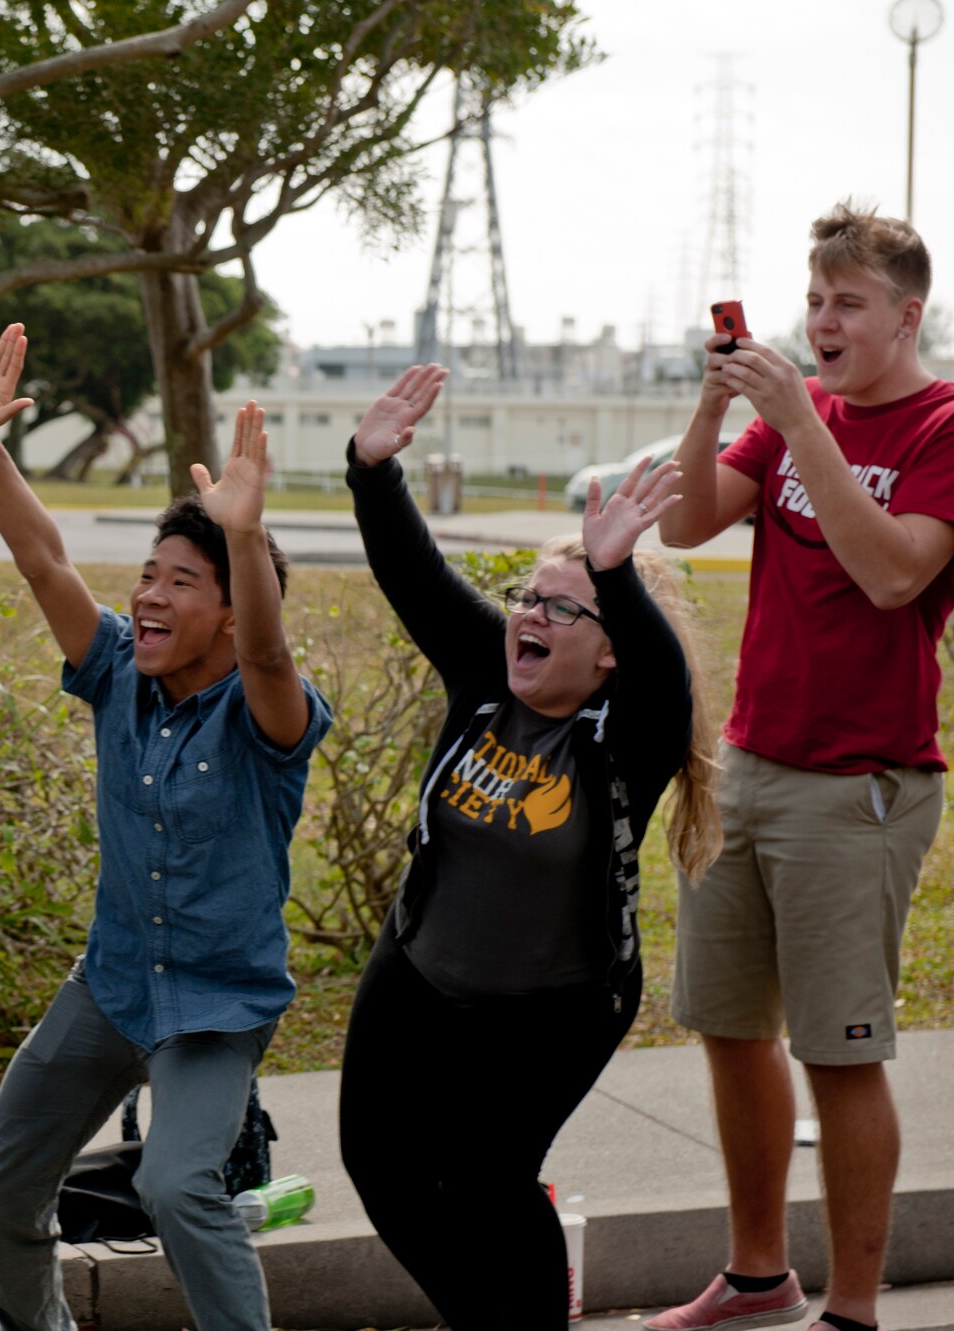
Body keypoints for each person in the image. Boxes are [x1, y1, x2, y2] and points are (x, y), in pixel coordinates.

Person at [0, 323, 331, 1331]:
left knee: (175, 1186)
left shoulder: (266, 714)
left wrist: (243, 537)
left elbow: (265, 656)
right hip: (113, 980)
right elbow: (42, 561)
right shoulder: (120, 668)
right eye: (149, 574)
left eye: (179, 581)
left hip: (214, 1002)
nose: (148, 594)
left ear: (226, 614)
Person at [335, 365, 716, 1330]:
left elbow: (666, 678)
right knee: (379, 1163)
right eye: (525, 597)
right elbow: (415, 575)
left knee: (488, 1178)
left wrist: (618, 574)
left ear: (608, 649)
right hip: (420, 966)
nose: (527, 617)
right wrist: (373, 468)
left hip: (554, 1006)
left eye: (559, 608)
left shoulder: (629, 734)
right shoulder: (484, 681)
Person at [652, 203, 954, 1331]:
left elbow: (889, 576)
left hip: (859, 783)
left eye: (846, 303)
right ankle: (752, 1274)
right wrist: (712, 404)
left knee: (837, 1047)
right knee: (728, 1027)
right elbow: (684, 525)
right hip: (746, 760)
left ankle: (855, 1306)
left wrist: (803, 425)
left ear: (903, 314)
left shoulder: (938, 425)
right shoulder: (788, 417)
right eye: (813, 299)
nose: (820, 322)